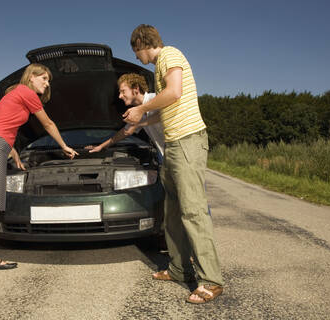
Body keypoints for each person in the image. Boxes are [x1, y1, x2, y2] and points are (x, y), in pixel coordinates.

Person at [123, 24, 224, 304]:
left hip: (187, 141)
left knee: (193, 212)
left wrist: (141, 108)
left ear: (143, 43)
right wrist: (142, 122)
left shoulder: (169, 55)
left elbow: (175, 92)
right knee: (173, 212)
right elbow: (167, 107)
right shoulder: (161, 66)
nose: (136, 57)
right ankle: (179, 269)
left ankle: (211, 281)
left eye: (135, 51)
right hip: (174, 145)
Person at [0, 63, 78, 284]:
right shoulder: (27, 92)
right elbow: (48, 123)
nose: (47, 83)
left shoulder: (17, 95)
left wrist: (15, 154)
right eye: (44, 79)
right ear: (31, 78)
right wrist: (64, 145)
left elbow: (2, 126)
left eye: (48, 80)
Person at [86, 73, 164, 158]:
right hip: (166, 154)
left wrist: (139, 124)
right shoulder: (136, 112)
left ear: (136, 89)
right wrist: (101, 146)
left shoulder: (156, 98)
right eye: (120, 92)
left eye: (123, 91)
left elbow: (165, 114)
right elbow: (124, 132)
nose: (120, 96)